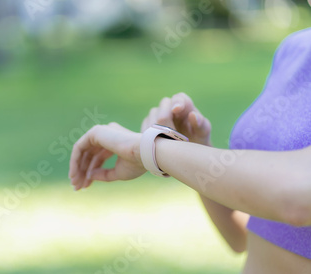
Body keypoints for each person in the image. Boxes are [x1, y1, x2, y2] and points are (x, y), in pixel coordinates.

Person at [68, 27, 311, 273]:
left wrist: (149, 148)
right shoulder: (295, 49)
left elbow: (298, 198)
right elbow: (244, 234)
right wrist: (196, 148)